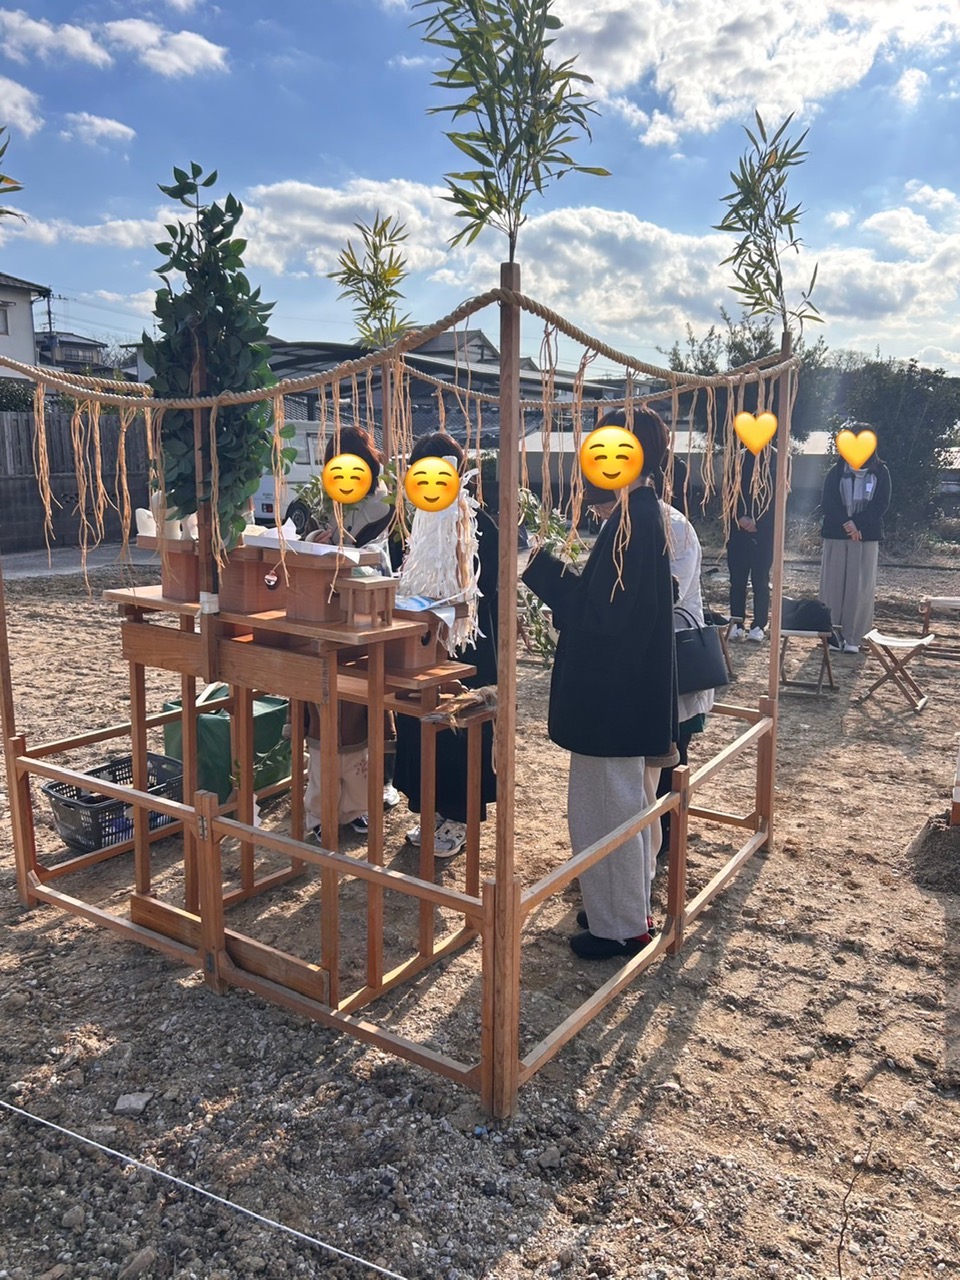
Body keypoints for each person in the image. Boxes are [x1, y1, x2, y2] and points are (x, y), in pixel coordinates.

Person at [522, 407, 678, 960]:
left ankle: (621, 928)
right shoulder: (638, 512)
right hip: (623, 695)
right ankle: (622, 911)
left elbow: (603, 615)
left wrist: (540, 569)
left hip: (612, 698)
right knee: (617, 808)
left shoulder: (635, 518)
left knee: (607, 812)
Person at [392, 433, 498, 858]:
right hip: (422, 643)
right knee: (421, 724)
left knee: (459, 727)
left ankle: (458, 819)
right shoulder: (418, 521)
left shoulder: (476, 522)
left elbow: (486, 586)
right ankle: (432, 810)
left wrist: (450, 606)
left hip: (466, 645)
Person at [304, 425, 399, 838]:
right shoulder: (329, 501)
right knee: (326, 705)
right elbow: (306, 539)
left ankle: (367, 798)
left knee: (362, 703)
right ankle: (324, 806)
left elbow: (376, 558)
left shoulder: (382, 504)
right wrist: (318, 538)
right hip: (326, 611)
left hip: (365, 612)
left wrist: (342, 545)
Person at [657, 499, 714, 848]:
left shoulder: (675, 526)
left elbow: (672, 591)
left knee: (674, 750)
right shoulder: (619, 522)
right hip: (648, 655)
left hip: (679, 651)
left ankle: (669, 834)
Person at [819, 431, 891, 653]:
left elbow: (881, 504)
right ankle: (832, 635)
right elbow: (828, 502)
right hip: (836, 534)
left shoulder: (881, 472)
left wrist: (857, 524)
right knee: (833, 586)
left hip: (865, 536)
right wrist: (846, 523)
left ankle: (854, 637)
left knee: (859, 588)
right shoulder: (836, 472)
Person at [726, 445, 777, 641]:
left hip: (764, 535)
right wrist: (739, 516)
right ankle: (737, 623)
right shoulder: (737, 459)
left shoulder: (778, 458)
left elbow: (779, 498)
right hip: (738, 533)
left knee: (761, 581)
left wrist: (759, 522)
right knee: (737, 580)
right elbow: (728, 492)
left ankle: (759, 625)